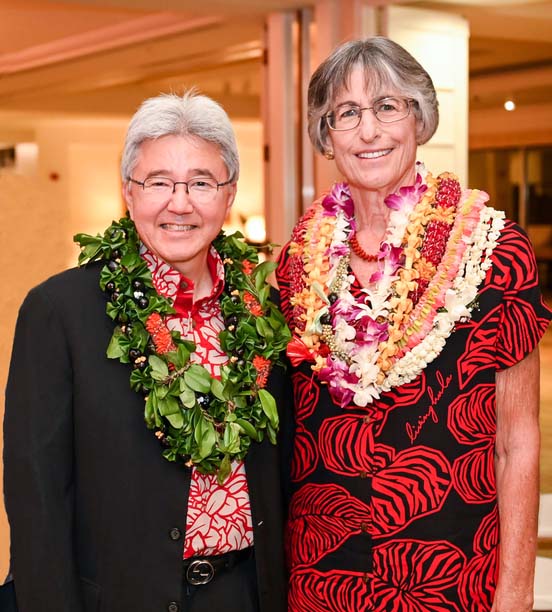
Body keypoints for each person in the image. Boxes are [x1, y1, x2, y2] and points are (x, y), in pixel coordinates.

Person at [276, 36, 551, 612]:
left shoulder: (495, 252)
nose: (368, 131)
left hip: (451, 570)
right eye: (345, 113)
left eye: (387, 106)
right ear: (326, 137)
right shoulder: (298, 260)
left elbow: (519, 442)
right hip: (323, 573)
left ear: (420, 118)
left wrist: (517, 593)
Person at [4, 91, 290, 612]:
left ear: (228, 196)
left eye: (201, 183)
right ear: (128, 193)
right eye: (158, 182)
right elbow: (37, 500)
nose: (179, 203)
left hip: (246, 592)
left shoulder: (261, 308)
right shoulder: (62, 311)